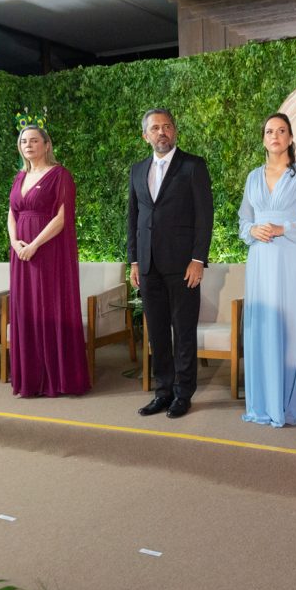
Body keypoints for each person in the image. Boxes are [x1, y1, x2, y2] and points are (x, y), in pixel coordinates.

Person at [239, 113, 296, 427]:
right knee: (265, 327)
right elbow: (244, 221)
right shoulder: (252, 177)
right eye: (269, 131)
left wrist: (283, 227)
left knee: (293, 325)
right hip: (261, 263)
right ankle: (265, 403)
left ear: (291, 138)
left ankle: (295, 403)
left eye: (281, 131)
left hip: (292, 258)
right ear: (263, 139)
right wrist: (253, 230)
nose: (274, 135)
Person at [128, 108, 213, 419]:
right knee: (158, 334)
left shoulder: (193, 166)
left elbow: (205, 216)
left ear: (174, 131)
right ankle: (162, 392)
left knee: (184, 331)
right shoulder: (137, 170)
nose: (161, 132)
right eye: (155, 128)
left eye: (166, 127)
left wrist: (198, 259)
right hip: (148, 265)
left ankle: (183, 393)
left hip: (183, 265)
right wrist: (134, 260)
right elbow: (133, 219)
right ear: (145, 135)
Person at [6, 125, 90, 397]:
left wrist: (34, 245)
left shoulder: (60, 175)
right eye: (23, 141)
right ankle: (31, 380)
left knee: (50, 308)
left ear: (46, 145)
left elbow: (62, 218)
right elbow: (12, 214)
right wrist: (15, 242)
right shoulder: (19, 176)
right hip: (21, 254)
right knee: (26, 311)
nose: (27, 145)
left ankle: (59, 379)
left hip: (49, 252)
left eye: (33, 140)